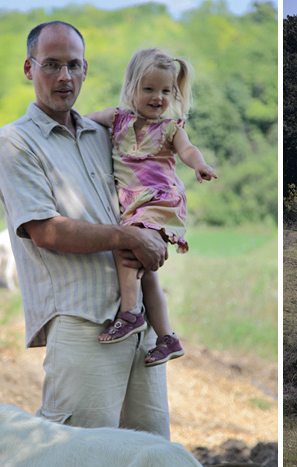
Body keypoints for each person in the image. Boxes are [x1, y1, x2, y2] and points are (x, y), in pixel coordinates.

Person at [0, 20, 170, 436]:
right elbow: (45, 231)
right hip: (81, 320)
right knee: (79, 459)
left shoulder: (102, 134)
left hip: (137, 319)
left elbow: (149, 171)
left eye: (73, 65)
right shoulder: (15, 141)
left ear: (86, 70)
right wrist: (127, 237)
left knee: (151, 454)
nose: (64, 77)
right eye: (51, 65)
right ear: (28, 68)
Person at [85, 47, 217, 367]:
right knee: (148, 275)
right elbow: (79, 121)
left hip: (159, 200)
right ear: (131, 87)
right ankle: (167, 338)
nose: (158, 97)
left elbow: (187, 150)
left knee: (125, 245)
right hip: (132, 205)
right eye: (149, 89)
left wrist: (199, 165)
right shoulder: (116, 118)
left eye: (165, 91)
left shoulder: (171, 128)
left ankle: (129, 313)